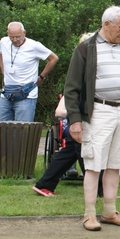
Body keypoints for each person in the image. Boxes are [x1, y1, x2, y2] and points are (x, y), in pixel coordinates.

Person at [64, 6, 120, 231]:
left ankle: (109, 211)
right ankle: (89, 214)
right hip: (98, 112)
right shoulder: (86, 48)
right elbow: (72, 88)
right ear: (106, 24)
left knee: (116, 164)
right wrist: (75, 120)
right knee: (94, 164)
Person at [32, 33, 94, 197]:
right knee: (83, 152)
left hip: (83, 122)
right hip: (77, 122)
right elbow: (63, 106)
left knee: (72, 152)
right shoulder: (82, 70)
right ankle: (99, 189)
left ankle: (44, 184)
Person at [0, 22, 59, 122]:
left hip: (27, 95)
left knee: (22, 132)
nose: (15, 40)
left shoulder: (34, 46)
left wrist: (41, 77)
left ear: (24, 33)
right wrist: (2, 69)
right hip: (6, 94)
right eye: (11, 37)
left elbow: (54, 58)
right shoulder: (4, 42)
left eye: (18, 37)